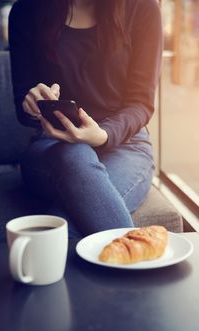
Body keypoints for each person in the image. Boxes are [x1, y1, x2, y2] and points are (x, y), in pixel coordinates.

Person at [9, 0, 163, 238]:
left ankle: (38, 262)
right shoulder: (26, 10)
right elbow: (22, 106)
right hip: (52, 145)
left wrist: (103, 135)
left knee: (75, 216)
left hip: (126, 144)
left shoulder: (143, 8)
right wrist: (32, 103)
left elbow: (141, 104)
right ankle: (137, 267)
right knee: (75, 154)